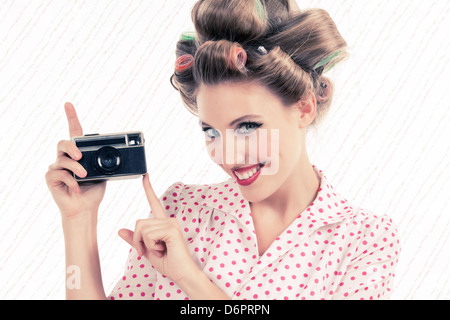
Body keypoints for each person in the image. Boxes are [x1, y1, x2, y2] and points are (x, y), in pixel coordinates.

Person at [45, 0, 400, 300]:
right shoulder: (181, 212)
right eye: (211, 131)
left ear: (304, 108)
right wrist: (78, 219)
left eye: (248, 126)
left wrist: (192, 279)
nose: (227, 156)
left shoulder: (365, 240)